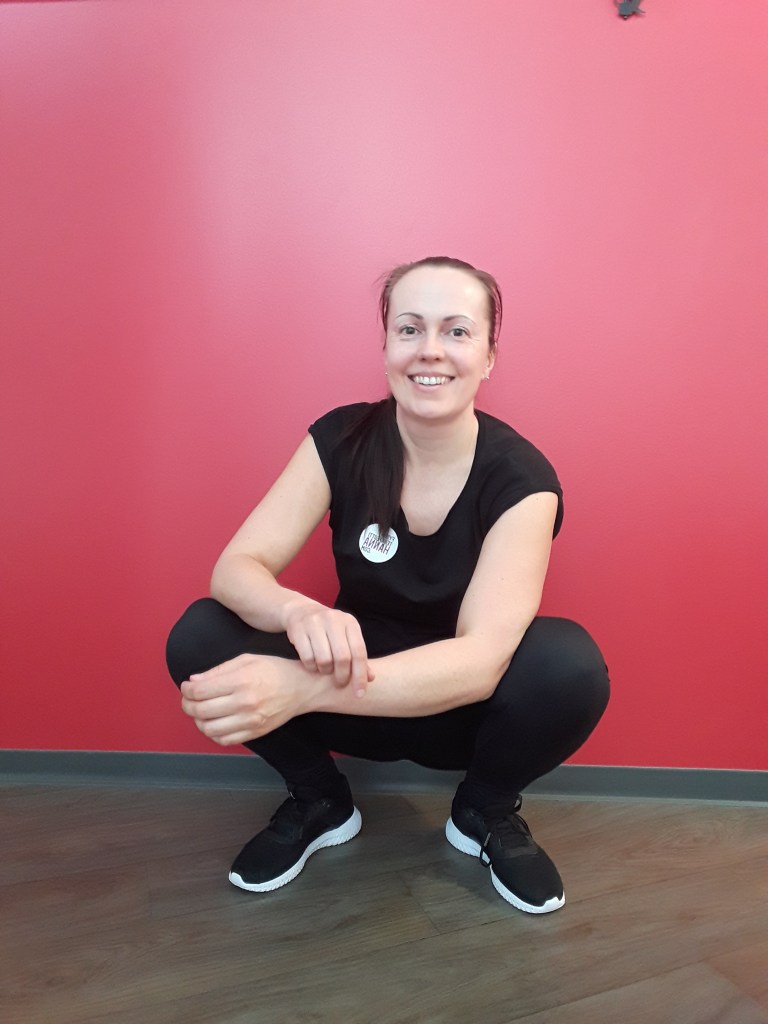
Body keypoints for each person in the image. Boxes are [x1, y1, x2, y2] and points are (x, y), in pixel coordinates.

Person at [166, 256, 610, 915]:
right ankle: (320, 799)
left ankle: (483, 812)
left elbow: (483, 660)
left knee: (569, 664)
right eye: (409, 328)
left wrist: (299, 687)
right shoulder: (340, 438)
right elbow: (237, 567)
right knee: (201, 634)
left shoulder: (523, 479)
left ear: (489, 356)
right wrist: (295, 612)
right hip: (354, 686)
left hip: (456, 709)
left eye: (457, 331)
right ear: (386, 347)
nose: (430, 350)